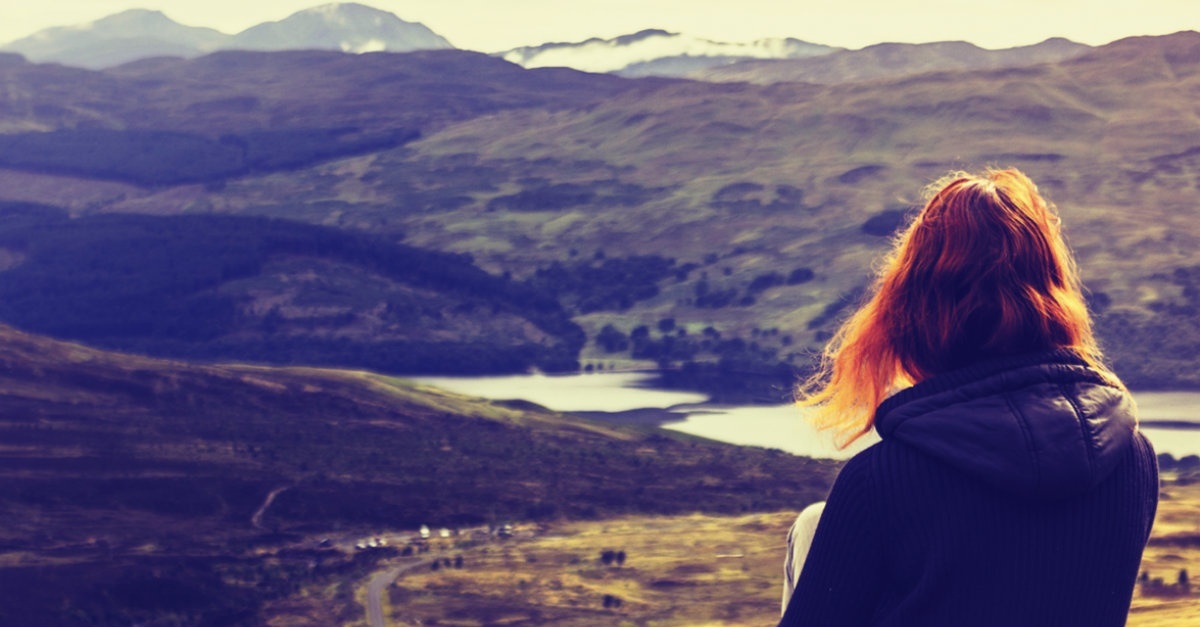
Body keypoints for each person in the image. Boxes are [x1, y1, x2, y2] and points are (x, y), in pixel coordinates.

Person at [778, 169, 1159, 626]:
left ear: (913, 310)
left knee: (814, 528)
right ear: (1053, 295)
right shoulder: (1133, 458)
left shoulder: (881, 482)